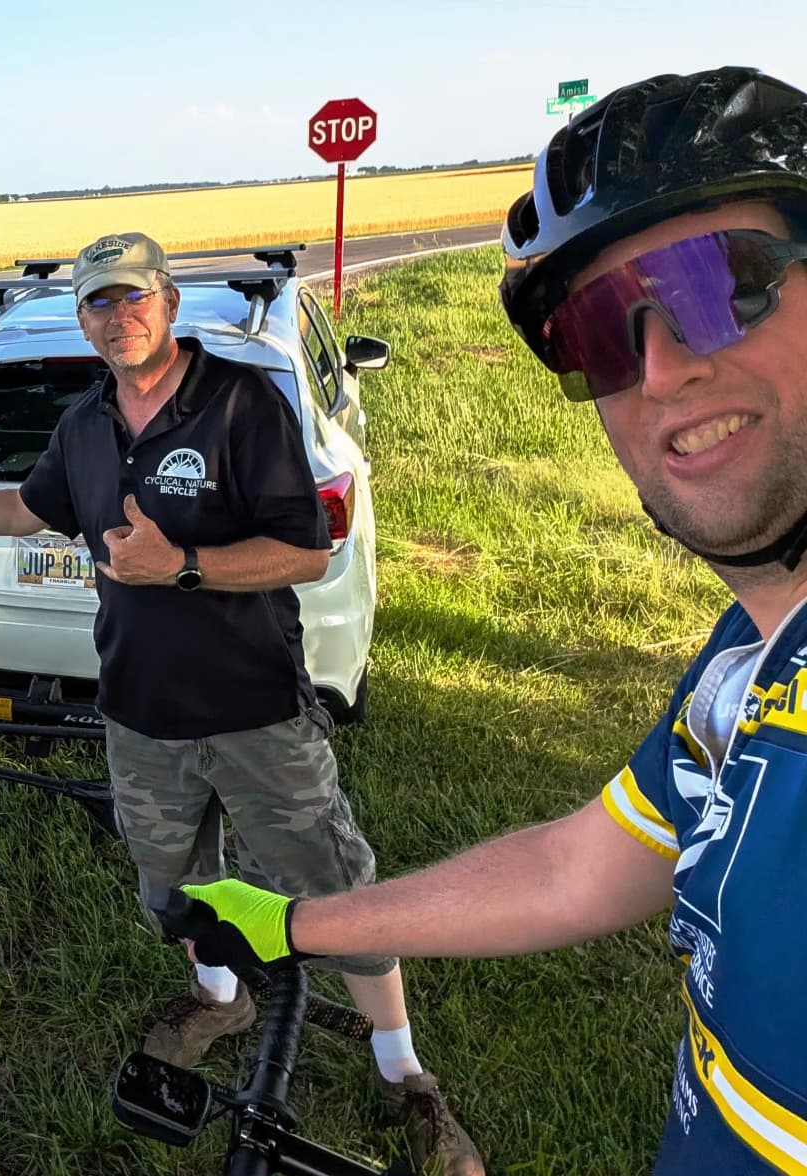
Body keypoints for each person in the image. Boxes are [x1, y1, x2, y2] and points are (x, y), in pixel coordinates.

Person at [165, 66, 807, 1173]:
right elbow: (577, 868)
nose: (662, 371)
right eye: (601, 335)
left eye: (721, 285)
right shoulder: (743, 669)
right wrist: (295, 924)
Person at [0, 231, 481, 1171]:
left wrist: (179, 565)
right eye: (99, 302)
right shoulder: (84, 425)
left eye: (134, 296)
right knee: (177, 890)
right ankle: (221, 1001)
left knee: (334, 889)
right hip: (140, 714)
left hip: (253, 708)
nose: (119, 317)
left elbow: (306, 551)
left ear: (169, 302)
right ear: (84, 321)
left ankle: (404, 1071)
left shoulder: (241, 403)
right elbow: (30, 507)